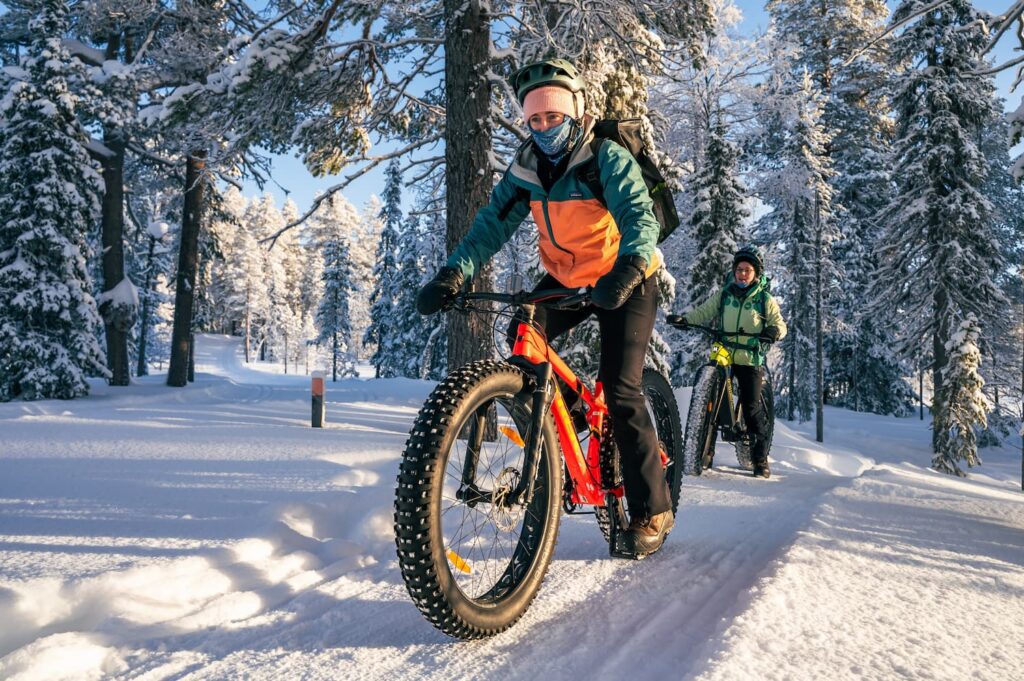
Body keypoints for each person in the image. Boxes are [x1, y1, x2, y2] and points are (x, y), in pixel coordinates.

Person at [415, 58, 672, 557]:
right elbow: (491, 225)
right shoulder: (526, 170)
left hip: (625, 274)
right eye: (535, 118)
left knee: (621, 388)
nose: (544, 126)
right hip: (567, 277)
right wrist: (454, 273)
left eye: (553, 116)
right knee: (524, 336)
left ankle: (653, 510)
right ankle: (571, 432)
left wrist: (630, 267)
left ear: (575, 113)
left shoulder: (605, 157)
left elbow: (639, 216)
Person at [669, 246, 787, 478]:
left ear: (756, 273)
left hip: (749, 357)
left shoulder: (764, 299)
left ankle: (759, 459)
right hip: (725, 352)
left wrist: (773, 331)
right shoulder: (725, 295)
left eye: (747, 270)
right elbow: (703, 312)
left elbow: (779, 324)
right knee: (712, 397)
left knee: (751, 407)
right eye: (739, 269)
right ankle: (706, 452)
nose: (742, 274)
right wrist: (686, 320)